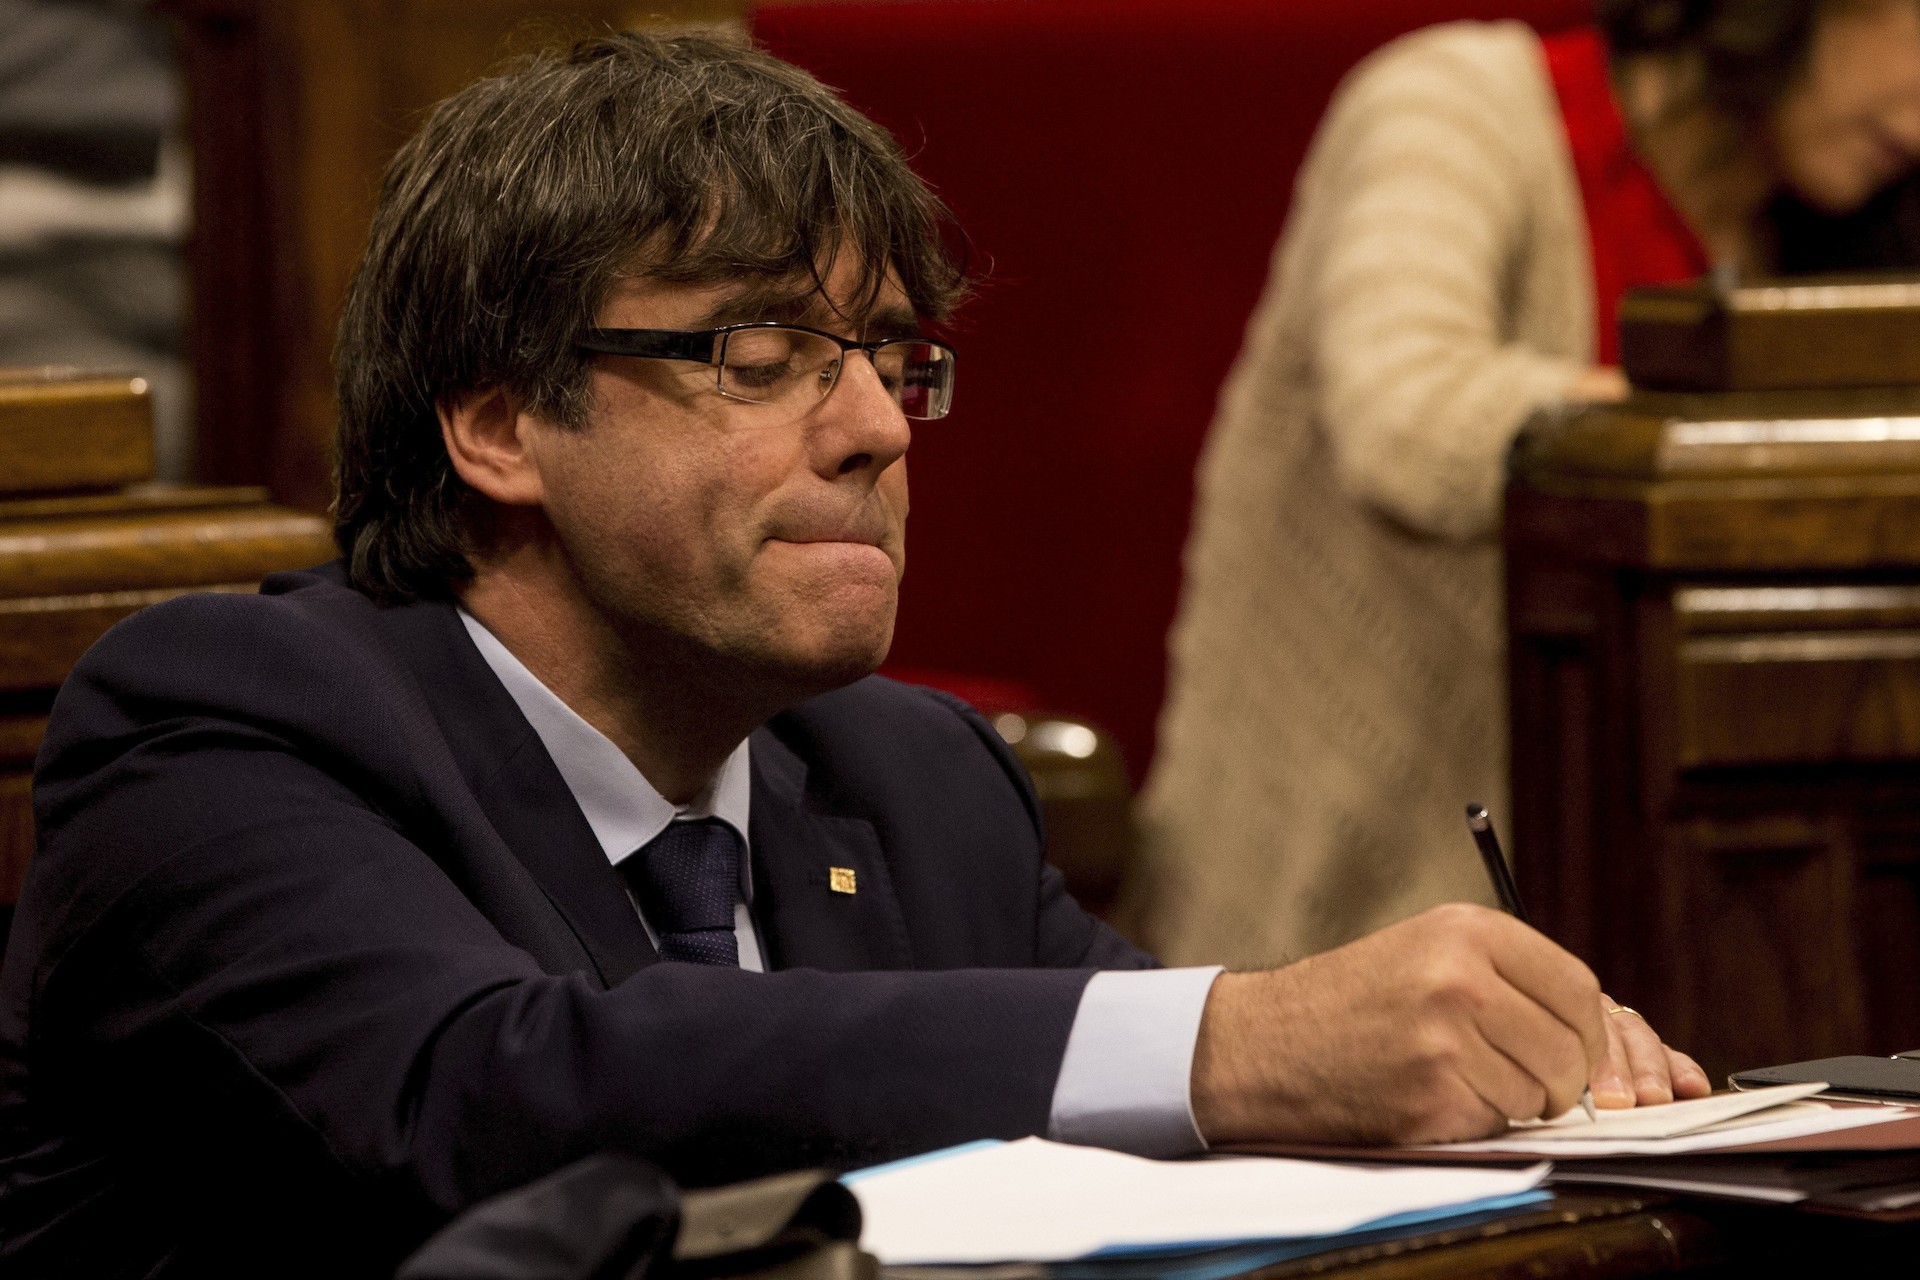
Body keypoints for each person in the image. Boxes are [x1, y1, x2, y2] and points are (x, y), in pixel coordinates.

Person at [0, 31, 1705, 1279]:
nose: (880, 426)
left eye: (894, 356)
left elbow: (1138, 1104)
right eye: (761, 352)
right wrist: (1241, 1041)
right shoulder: (220, 725)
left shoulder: (913, 777)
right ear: (501, 423)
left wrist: (1502, 1074)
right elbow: (485, 1092)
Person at [1134, 0, 1920, 969]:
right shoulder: (1454, 104)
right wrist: (1742, 418)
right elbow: (1406, 419)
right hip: (1336, 917)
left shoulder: (1829, 225)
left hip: (1667, 934)